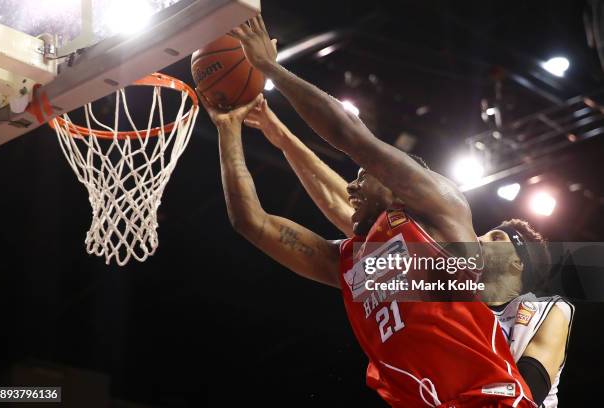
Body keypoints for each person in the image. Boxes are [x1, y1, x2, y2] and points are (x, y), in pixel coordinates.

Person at [195, 14, 570, 407]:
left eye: (362, 176)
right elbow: (252, 222)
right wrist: (229, 128)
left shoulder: (446, 219)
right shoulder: (361, 262)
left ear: (399, 189)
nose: (353, 187)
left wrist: (270, 67)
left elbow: (348, 137)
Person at [243, 99, 574, 407]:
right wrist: (279, 133)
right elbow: (344, 205)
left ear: (518, 262)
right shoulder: (444, 283)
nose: (480, 238)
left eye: (495, 237)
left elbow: (530, 387)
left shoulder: (544, 310)